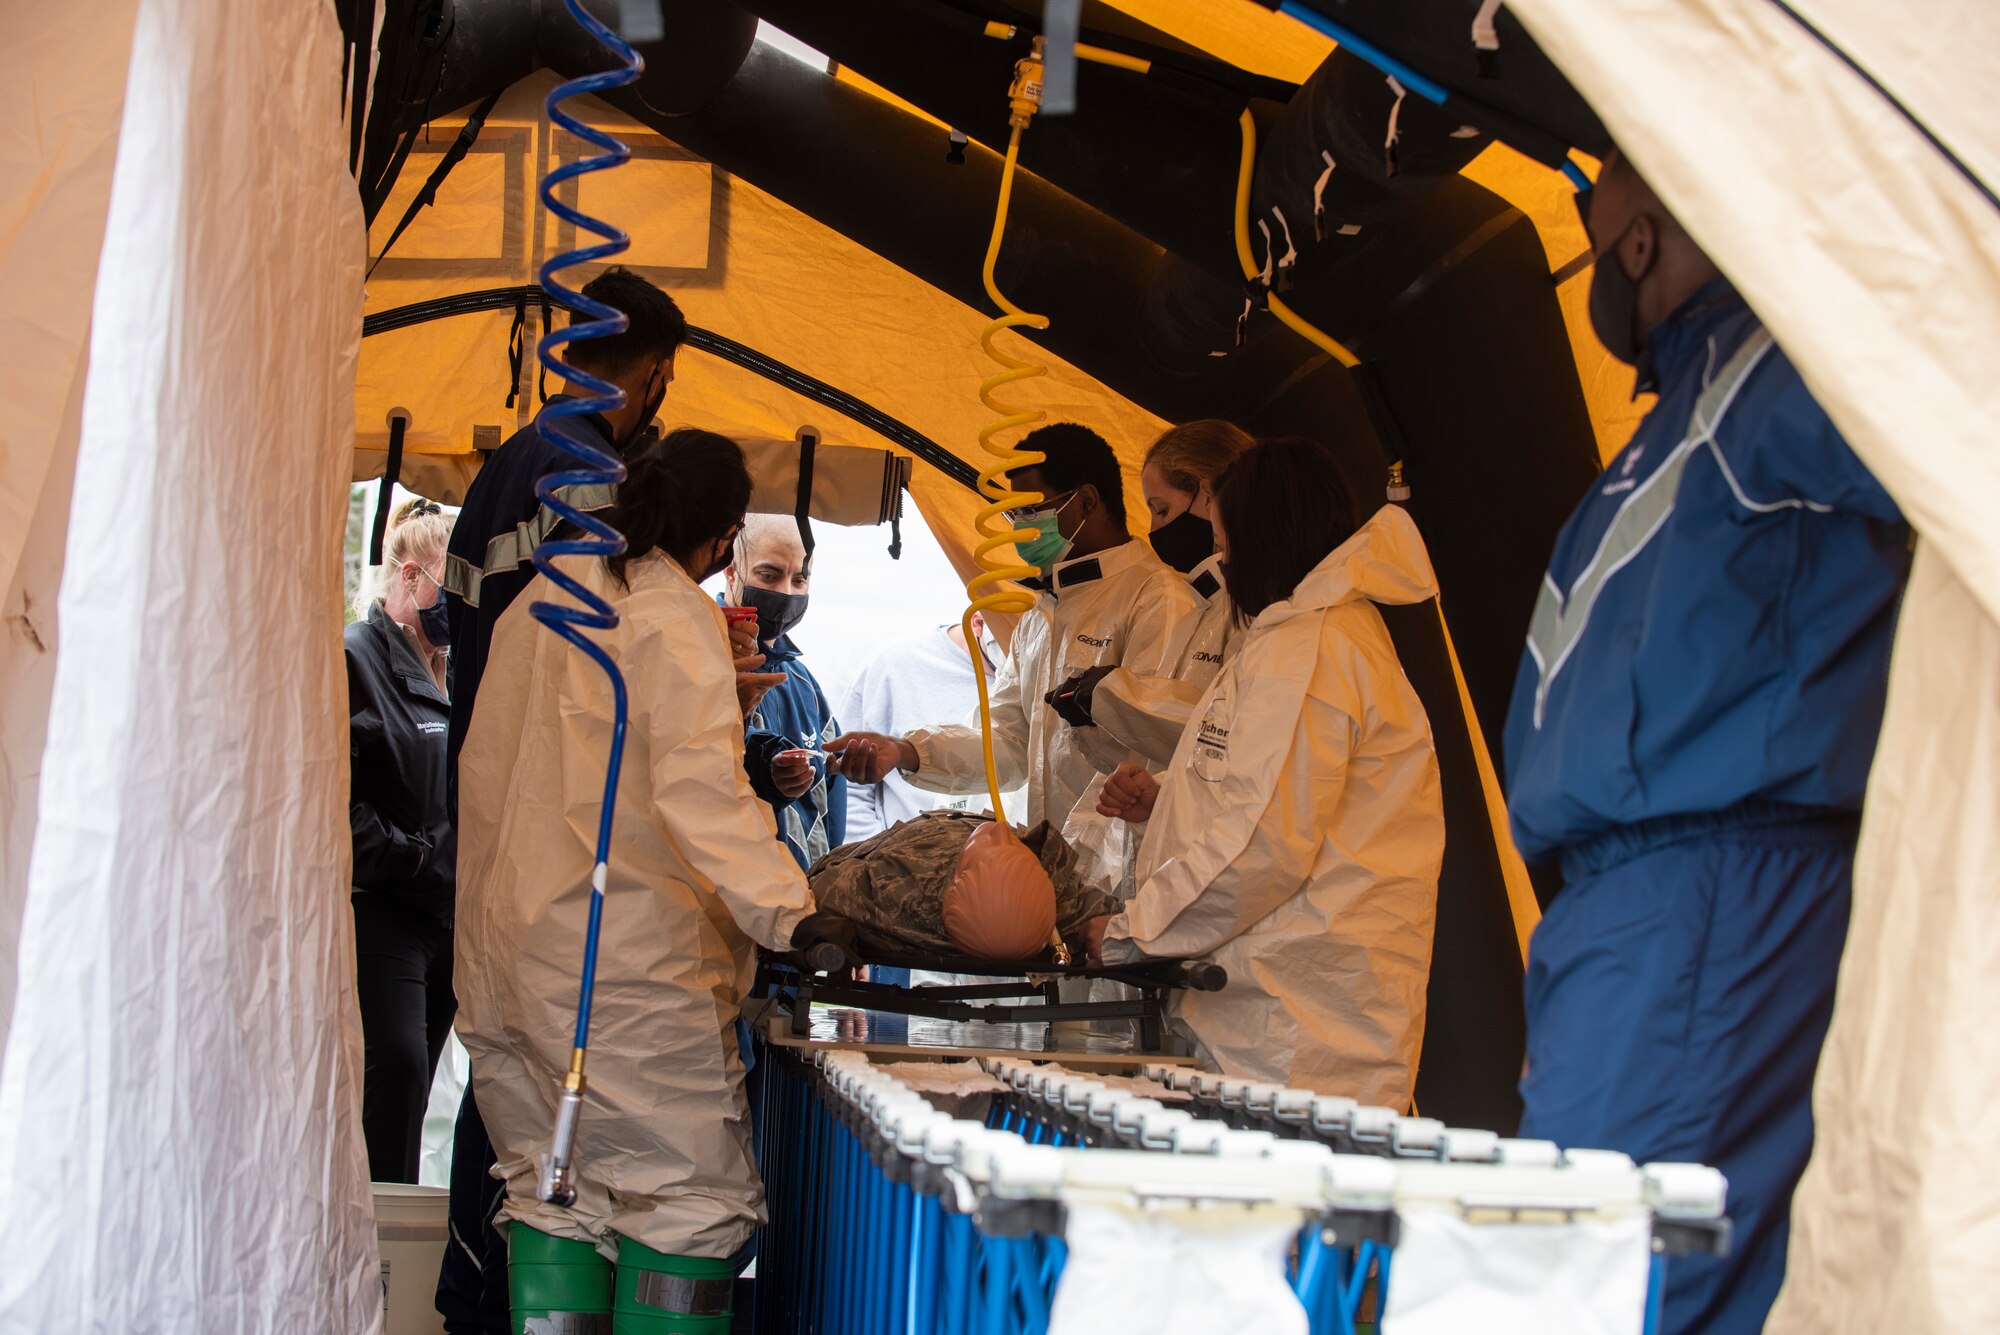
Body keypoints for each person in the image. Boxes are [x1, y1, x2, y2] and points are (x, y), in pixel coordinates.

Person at [1500, 150, 1911, 1335]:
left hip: (1712, 889)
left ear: (1648, 228)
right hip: (1624, 910)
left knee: (1606, 1288)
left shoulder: (1779, 373)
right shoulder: (1678, 411)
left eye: (1601, 191)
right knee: (1607, 1272)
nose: (1584, 219)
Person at [455, 430, 830, 1333]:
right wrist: (796, 917)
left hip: (510, 964)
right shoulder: (672, 615)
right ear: (724, 538)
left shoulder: (547, 595)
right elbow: (699, 795)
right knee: (685, 1203)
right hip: (625, 974)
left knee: (555, 1189)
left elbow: (496, 770)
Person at [1083, 438, 1444, 1108]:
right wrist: (1171, 804)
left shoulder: (1311, 649)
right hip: (1268, 1016)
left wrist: (1135, 932)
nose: (1222, 560)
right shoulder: (1302, 636)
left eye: (1224, 541)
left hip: (1295, 1035)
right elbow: (1271, 802)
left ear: (1260, 536)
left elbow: (1262, 844)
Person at [827, 422, 1199, 834]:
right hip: (1057, 860)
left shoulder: (1157, 598)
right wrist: (904, 751)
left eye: (1030, 511)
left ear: (1087, 501)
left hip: (1126, 861)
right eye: (1012, 514)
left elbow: (1154, 749)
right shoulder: (1043, 615)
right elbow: (1008, 744)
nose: (1019, 527)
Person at [345, 496, 457, 1183]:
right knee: (397, 1065)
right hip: (387, 906)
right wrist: (410, 853)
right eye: (451, 585)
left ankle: (394, 1222)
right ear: (410, 578)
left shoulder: (459, 669)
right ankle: (373, 1234)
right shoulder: (357, 658)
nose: (459, 605)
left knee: (418, 1088)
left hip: (447, 912)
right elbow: (337, 796)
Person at [1047, 418, 1254, 770]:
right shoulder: (1200, 607)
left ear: (1209, 496)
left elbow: (1237, 738)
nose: (1154, 529)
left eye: (1161, 510)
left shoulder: (1256, 607)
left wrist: (1114, 697)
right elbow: (1166, 755)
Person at [723, 515, 845, 869]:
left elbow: (830, 803)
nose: (786, 592)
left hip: (800, 893)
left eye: (799, 579)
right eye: (769, 575)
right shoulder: (695, 654)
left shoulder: (802, 682)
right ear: (731, 570)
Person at [837, 611, 1020, 842]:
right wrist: (882, 862)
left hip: (1014, 869)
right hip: (903, 867)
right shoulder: (895, 667)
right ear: (978, 623)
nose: (1018, 669)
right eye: (1013, 654)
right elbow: (845, 787)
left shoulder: (1044, 677)